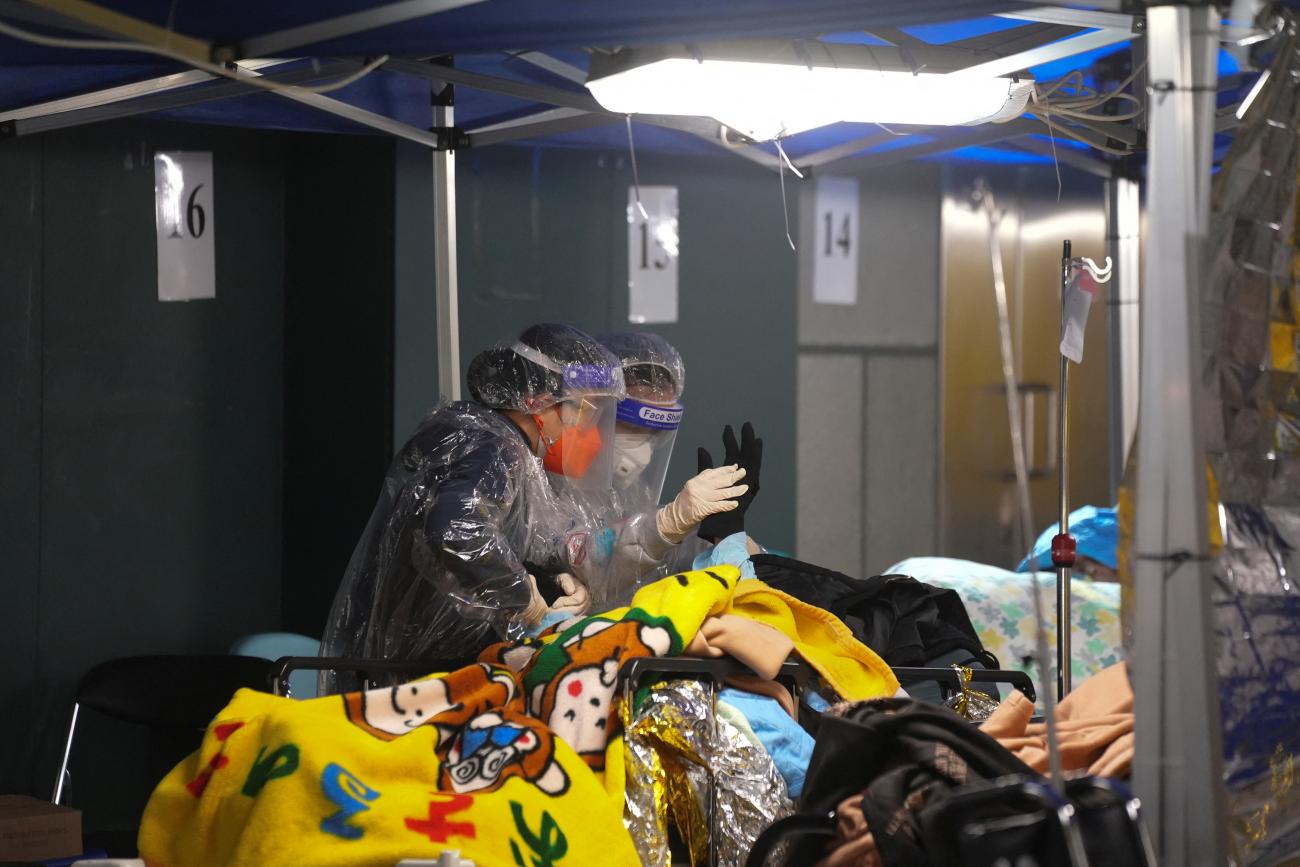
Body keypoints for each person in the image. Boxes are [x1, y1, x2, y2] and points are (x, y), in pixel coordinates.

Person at [318, 324, 746, 692]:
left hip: (435, 672)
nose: (591, 430)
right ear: (540, 399)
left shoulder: (517, 460)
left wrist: (558, 580)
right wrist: (530, 605)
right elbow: (457, 530)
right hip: (414, 677)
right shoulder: (486, 442)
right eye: (585, 411)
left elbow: (568, 548)